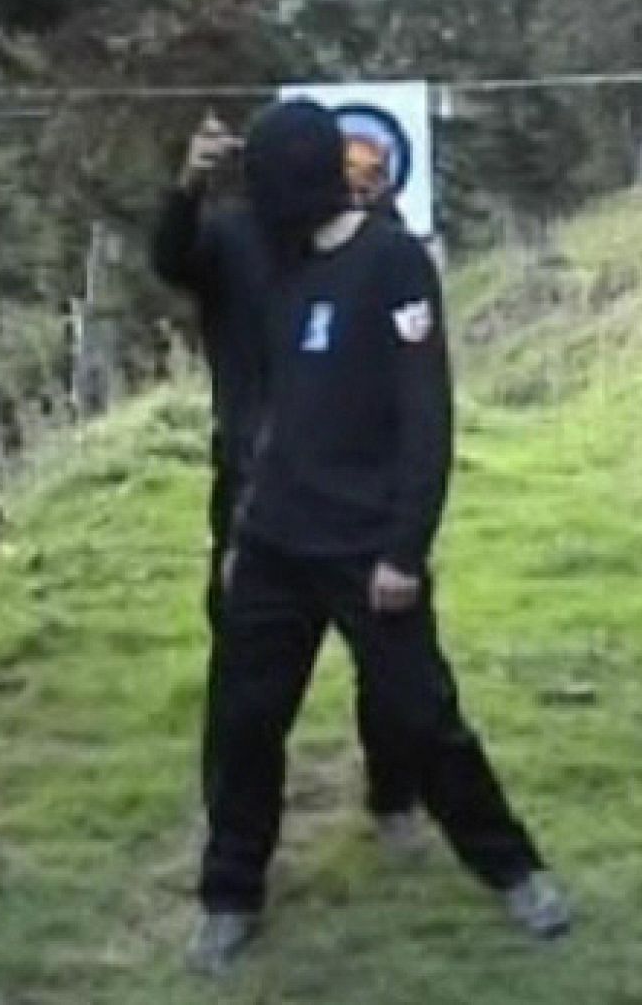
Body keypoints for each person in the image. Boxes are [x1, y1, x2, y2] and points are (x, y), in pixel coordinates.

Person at [188, 99, 571, 973]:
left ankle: (515, 870)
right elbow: (264, 393)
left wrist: (405, 547)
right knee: (244, 719)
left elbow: (424, 415)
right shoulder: (273, 262)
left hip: (366, 545)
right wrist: (246, 523)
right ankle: (229, 893)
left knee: (423, 717)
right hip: (275, 538)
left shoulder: (394, 262)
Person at [150, 113, 425, 857]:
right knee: (245, 674)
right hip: (253, 486)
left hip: (359, 485)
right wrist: (189, 183)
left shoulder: (362, 236)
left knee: (391, 660)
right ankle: (232, 827)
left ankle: (396, 795)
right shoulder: (234, 236)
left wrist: (377, 198)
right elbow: (172, 258)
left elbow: (400, 286)